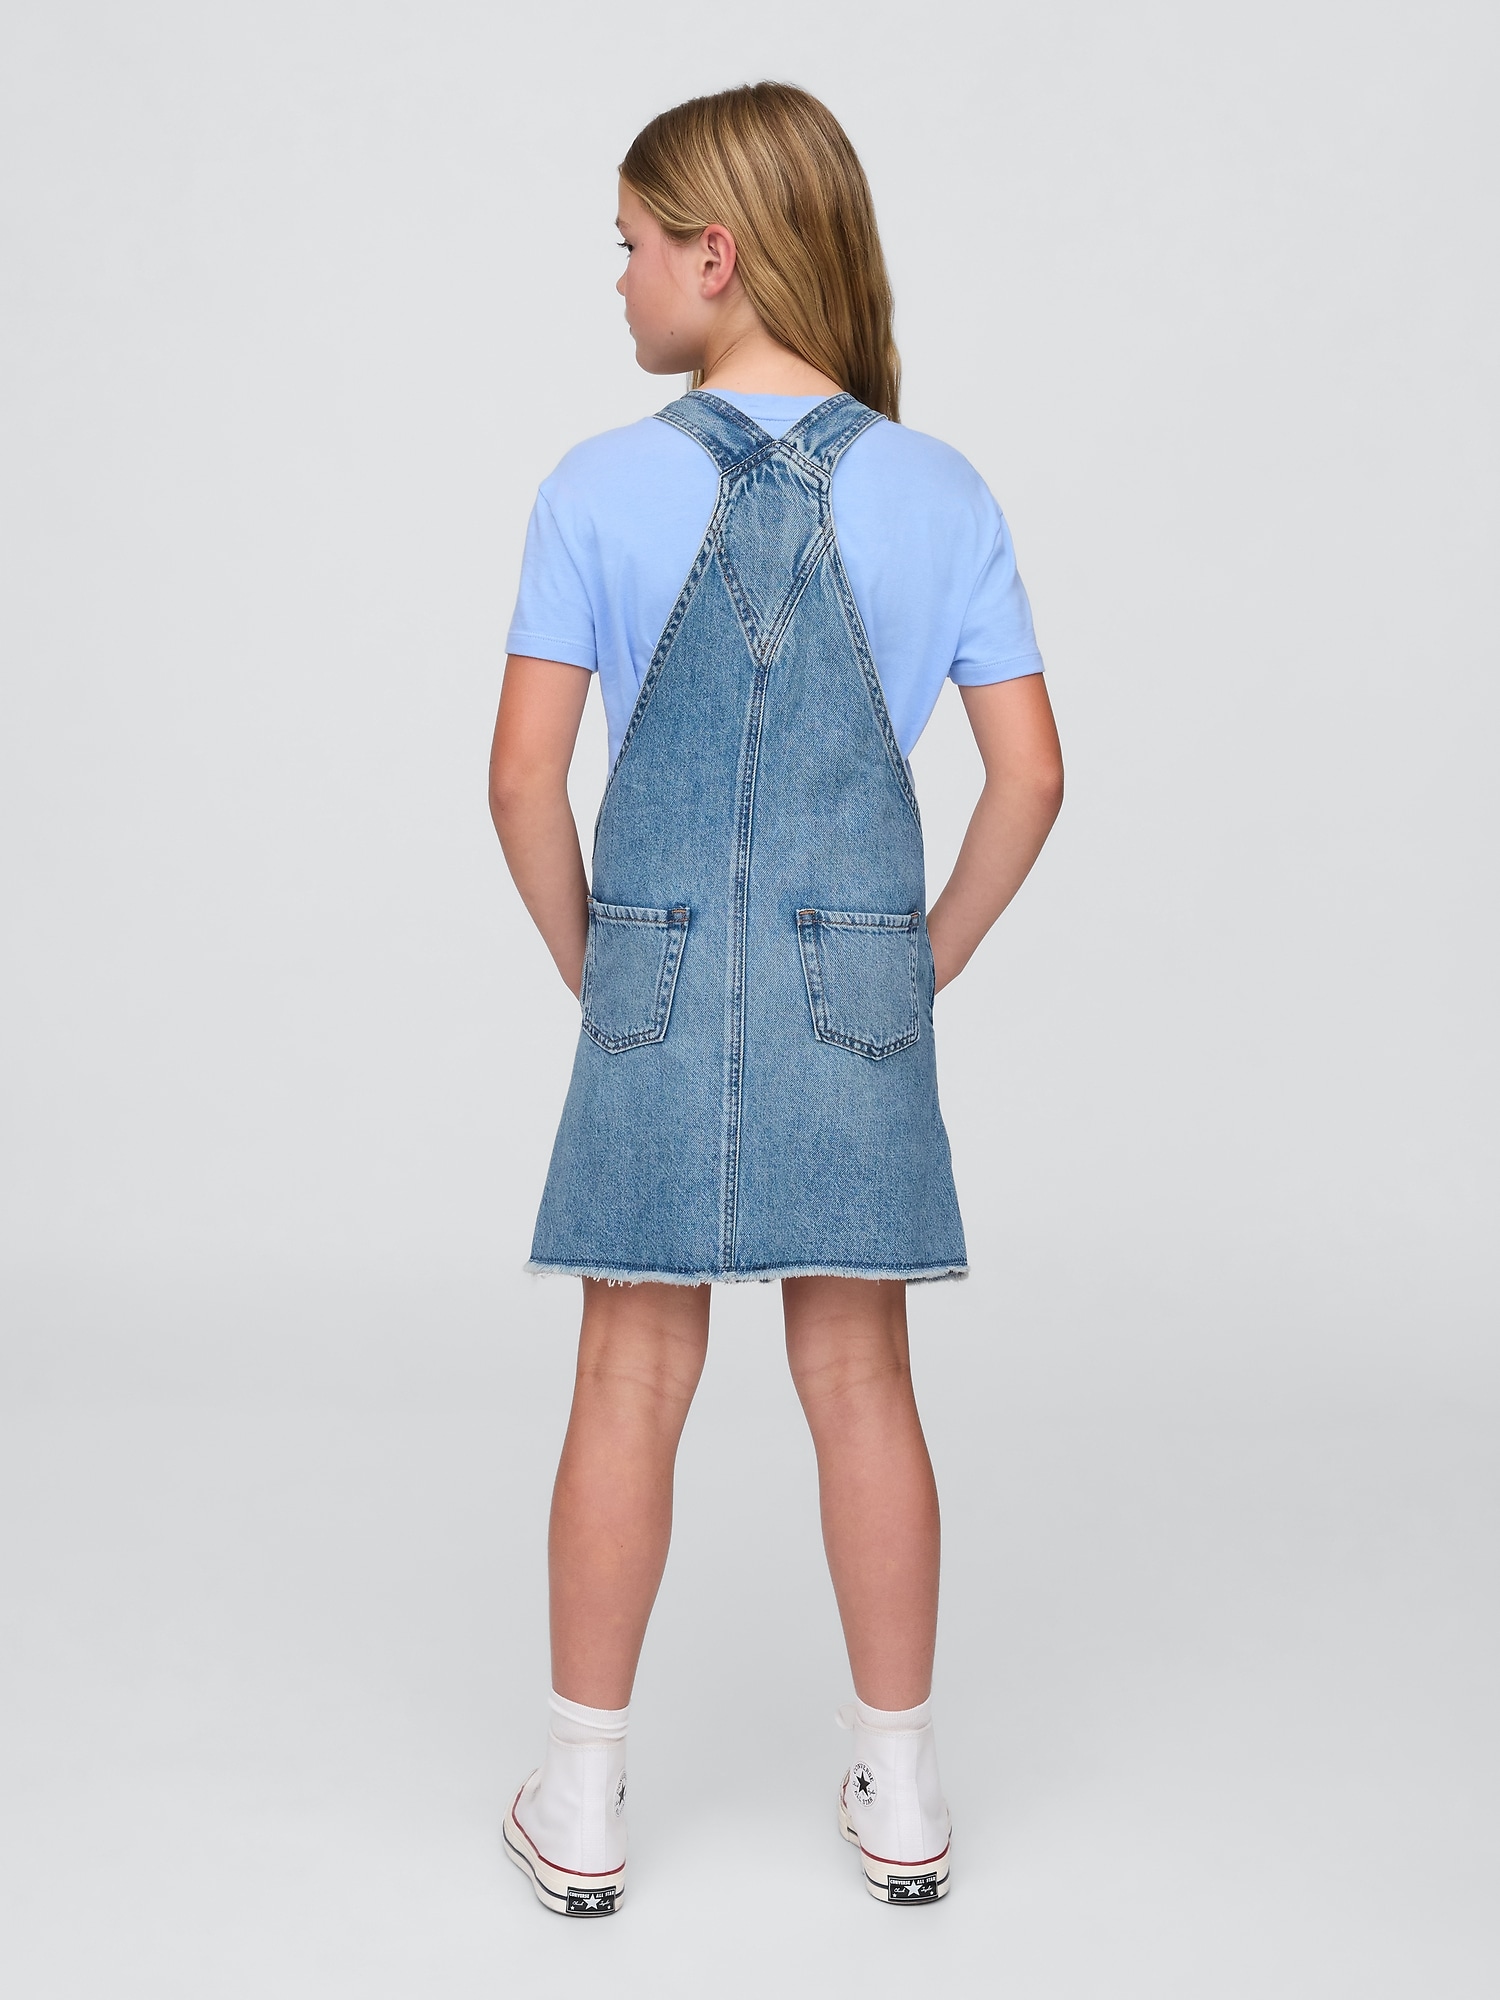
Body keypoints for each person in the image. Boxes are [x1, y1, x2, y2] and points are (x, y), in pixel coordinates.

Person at [489, 81, 1063, 1915]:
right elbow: (1033, 777)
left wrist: (602, 967)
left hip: (653, 975)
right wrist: (922, 954)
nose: (621, 279)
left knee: (628, 1372)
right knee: (863, 1379)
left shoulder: (595, 487)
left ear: (715, 257)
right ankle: (901, 1784)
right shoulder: (942, 491)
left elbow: (521, 781)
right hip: (853, 988)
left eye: (633, 246)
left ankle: (584, 1794)